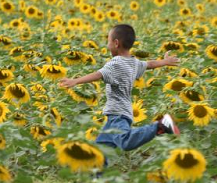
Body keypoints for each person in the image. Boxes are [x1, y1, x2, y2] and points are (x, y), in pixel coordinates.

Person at [58, 24, 180, 167]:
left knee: (125, 141)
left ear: (116, 43)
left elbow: (99, 74)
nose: (107, 45)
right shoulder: (133, 62)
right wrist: (165, 62)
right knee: (99, 153)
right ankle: (96, 181)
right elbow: (149, 64)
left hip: (118, 114)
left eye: (108, 41)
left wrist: (75, 81)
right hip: (120, 114)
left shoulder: (115, 63)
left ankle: (160, 126)